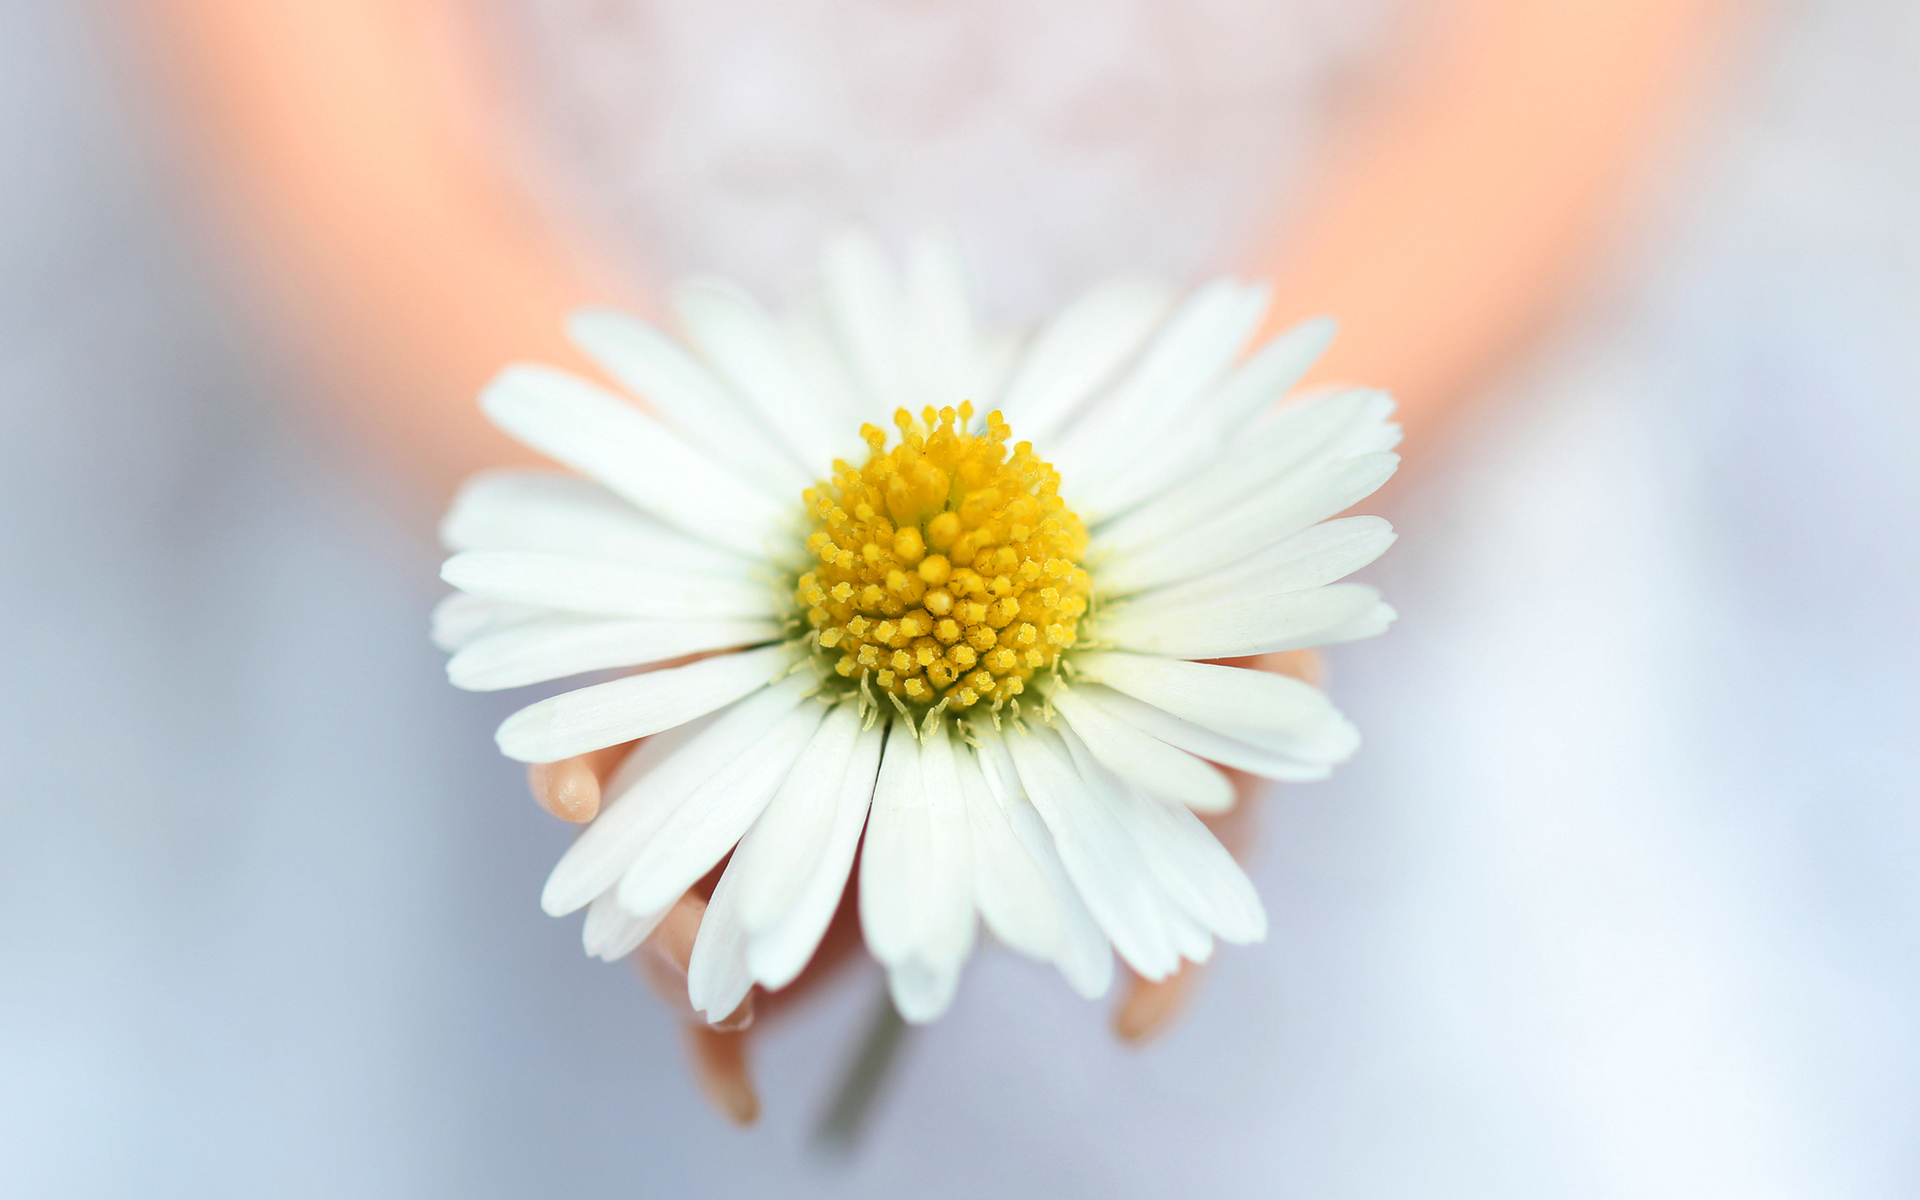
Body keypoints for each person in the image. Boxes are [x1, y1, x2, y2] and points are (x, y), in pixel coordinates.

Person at [136, 0, 1736, 1125]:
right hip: (544, 657)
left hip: (1381, 707)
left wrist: (1225, 582)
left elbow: (1526, 124)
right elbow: (367, 195)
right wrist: (663, 632)